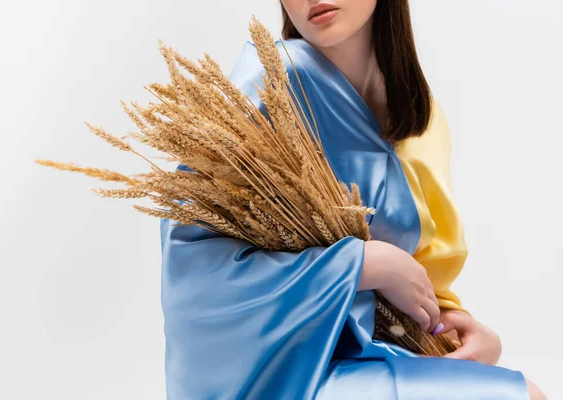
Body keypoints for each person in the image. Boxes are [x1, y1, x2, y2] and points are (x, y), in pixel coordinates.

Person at [159, 1, 547, 398]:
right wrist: (359, 264)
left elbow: (424, 278)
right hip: (287, 374)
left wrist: (458, 327)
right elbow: (193, 275)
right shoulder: (267, 84)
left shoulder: (421, 118)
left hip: (382, 355)